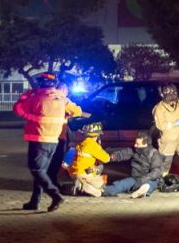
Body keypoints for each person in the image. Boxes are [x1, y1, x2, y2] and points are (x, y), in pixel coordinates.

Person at [13, 72, 84, 212]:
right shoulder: (61, 98)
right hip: (54, 141)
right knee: (42, 171)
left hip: (38, 138)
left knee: (36, 170)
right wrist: (65, 115)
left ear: (41, 83)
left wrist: (25, 96)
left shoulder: (36, 97)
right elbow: (77, 111)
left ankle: (55, 195)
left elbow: (18, 109)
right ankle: (35, 201)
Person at [103, 131, 164, 198]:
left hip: (150, 179)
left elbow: (157, 171)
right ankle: (102, 191)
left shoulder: (153, 154)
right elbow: (124, 153)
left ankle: (142, 191)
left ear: (145, 144)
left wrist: (143, 180)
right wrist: (113, 156)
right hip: (135, 178)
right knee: (120, 185)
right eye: (135, 143)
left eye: (137, 144)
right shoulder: (134, 150)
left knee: (149, 185)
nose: (135, 145)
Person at [67, 122, 109, 197]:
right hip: (84, 173)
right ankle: (82, 187)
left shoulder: (81, 144)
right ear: (96, 135)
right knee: (101, 189)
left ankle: (78, 185)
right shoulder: (93, 145)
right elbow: (106, 158)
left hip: (73, 173)